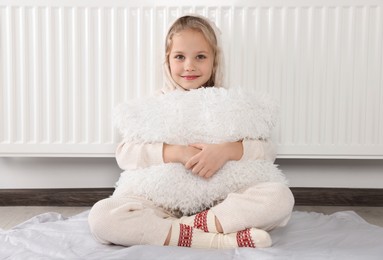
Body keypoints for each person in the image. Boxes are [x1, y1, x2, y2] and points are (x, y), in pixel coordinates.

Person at [88, 14, 294, 249]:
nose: (189, 66)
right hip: (161, 202)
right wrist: (175, 152)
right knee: (102, 217)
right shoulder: (154, 106)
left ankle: (179, 230)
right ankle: (215, 240)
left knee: (280, 198)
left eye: (200, 57)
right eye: (179, 57)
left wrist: (226, 151)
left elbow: (268, 151)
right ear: (167, 60)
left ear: (215, 60)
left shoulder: (232, 105)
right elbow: (125, 154)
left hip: (222, 201)